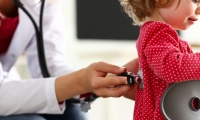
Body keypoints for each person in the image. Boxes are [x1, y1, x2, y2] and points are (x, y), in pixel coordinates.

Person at [0, 0, 139, 120]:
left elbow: (49, 68)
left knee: (72, 113)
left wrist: (106, 80)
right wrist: (82, 81)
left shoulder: (43, 4)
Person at [120, 0, 200, 119]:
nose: (199, 10)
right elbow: (173, 68)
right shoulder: (158, 31)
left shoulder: (159, 35)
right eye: (195, 1)